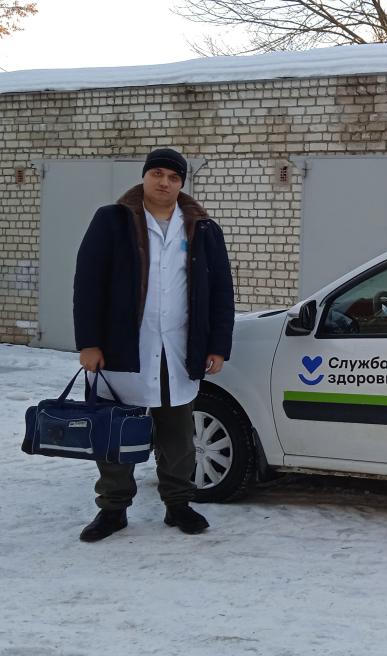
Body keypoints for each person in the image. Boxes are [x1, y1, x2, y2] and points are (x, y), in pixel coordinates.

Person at [73, 147, 235, 542]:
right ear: (145, 176)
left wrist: (218, 346)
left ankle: (178, 504)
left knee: (178, 435)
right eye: (157, 173)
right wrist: (89, 343)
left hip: (179, 347)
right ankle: (112, 509)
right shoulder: (112, 220)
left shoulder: (202, 227)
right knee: (115, 431)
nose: (164, 182)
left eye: (173, 177)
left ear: (182, 183)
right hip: (122, 346)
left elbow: (221, 291)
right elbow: (88, 284)